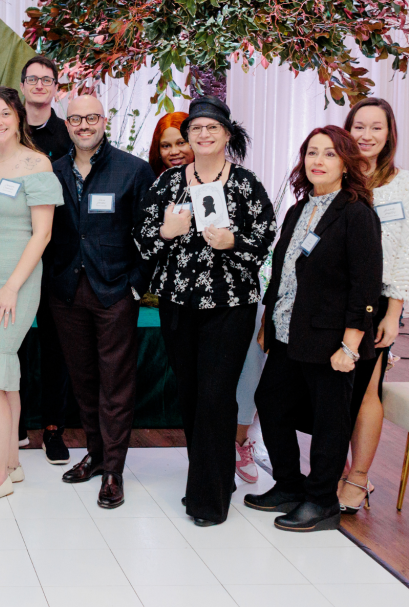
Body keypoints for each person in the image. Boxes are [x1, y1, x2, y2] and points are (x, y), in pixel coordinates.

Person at [135, 95, 275, 526]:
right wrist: (166, 230)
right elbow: (142, 241)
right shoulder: (169, 183)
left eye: (212, 128)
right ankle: (214, 478)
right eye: (196, 128)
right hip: (178, 304)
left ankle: (207, 500)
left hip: (231, 304)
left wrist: (234, 242)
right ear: (189, 136)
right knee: (193, 395)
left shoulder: (246, 183)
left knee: (216, 396)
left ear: (227, 135)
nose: (203, 134)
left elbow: (267, 236)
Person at [246, 126, 381, 531]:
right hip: (289, 332)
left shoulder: (357, 212)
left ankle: (322, 501)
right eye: (311, 153)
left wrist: (351, 345)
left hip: (332, 340)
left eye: (328, 154)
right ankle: (289, 485)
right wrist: (269, 320)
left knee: (329, 421)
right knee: (270, 403)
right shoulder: (298, 209)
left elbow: (366, 284)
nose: (317, 161)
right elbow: (283, 271)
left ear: (345, 164)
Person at [45, 93, 155, 509]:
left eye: (92, 117)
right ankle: (95, 454)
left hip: (114, 292)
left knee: (115, 383)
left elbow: (149, 237)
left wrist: (134, 285)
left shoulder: (133, 170)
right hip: (67, 293)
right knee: (84, 379)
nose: (84, 125)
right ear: (67, 124)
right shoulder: (52, 171)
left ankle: (113, 470)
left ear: (104, 120)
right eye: (76, 119)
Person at [0, 87, 61, 505]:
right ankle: (14, 464)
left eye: (5, 113)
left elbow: (43, 234)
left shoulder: (36, 163)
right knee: (4, 379)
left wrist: (11, 285)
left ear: (19, 117)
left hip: (15, 282)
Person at [339, 97, 407, 513]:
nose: (365, 135)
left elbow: (402, 254)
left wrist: (394, 314)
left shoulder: (400, 186)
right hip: (332, 299)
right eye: (358, 126)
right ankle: (333, 470)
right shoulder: (337, 178)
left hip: (376, 302)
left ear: (389, 135)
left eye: (375, 128)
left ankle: (359, 479)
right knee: (334, 392)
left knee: (366, 391)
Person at [15, 55, 74, 465]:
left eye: (46, 79)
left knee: (57, 346)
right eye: (32, 79)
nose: (39, 85)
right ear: (22, 86)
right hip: (11, 254)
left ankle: (53, 428)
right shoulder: (5, 129)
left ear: (56, 87)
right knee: (10, 344)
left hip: (57, 254)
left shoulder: (69, 134)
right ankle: (11, 429)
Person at [148, 112, 193, 177]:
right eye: (166, 146)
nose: (174, 152)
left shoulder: (211, 180)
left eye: (181, 143)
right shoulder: (152, 182)